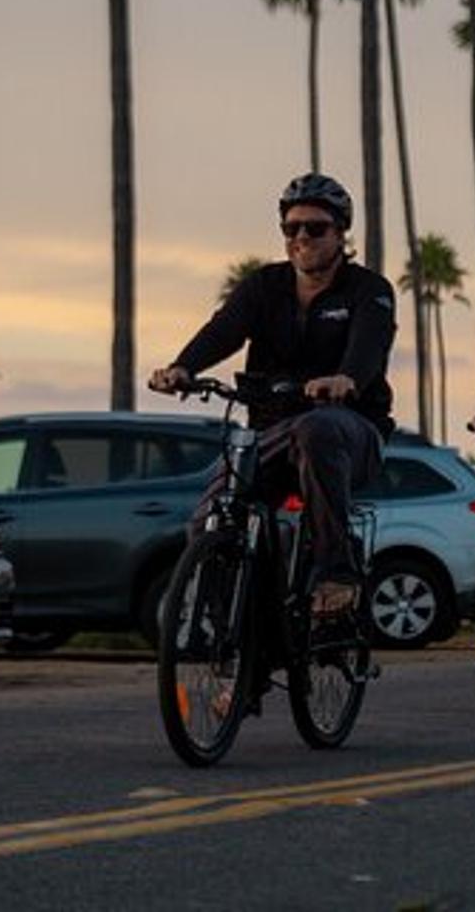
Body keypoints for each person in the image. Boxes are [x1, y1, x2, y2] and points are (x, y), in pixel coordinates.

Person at [147, 173, 396, 619]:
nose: (301, 237)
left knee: (317, 427)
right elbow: (223, 330)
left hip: (349, 432)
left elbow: (369, 347)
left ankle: (336, 574)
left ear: (341, 233)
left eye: (315, 228)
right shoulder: (264, 286)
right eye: (291, 228)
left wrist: (346, 379)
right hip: (271, 429)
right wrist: (183, 367)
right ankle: (234, 640)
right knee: (210, 517)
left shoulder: (368, 290)